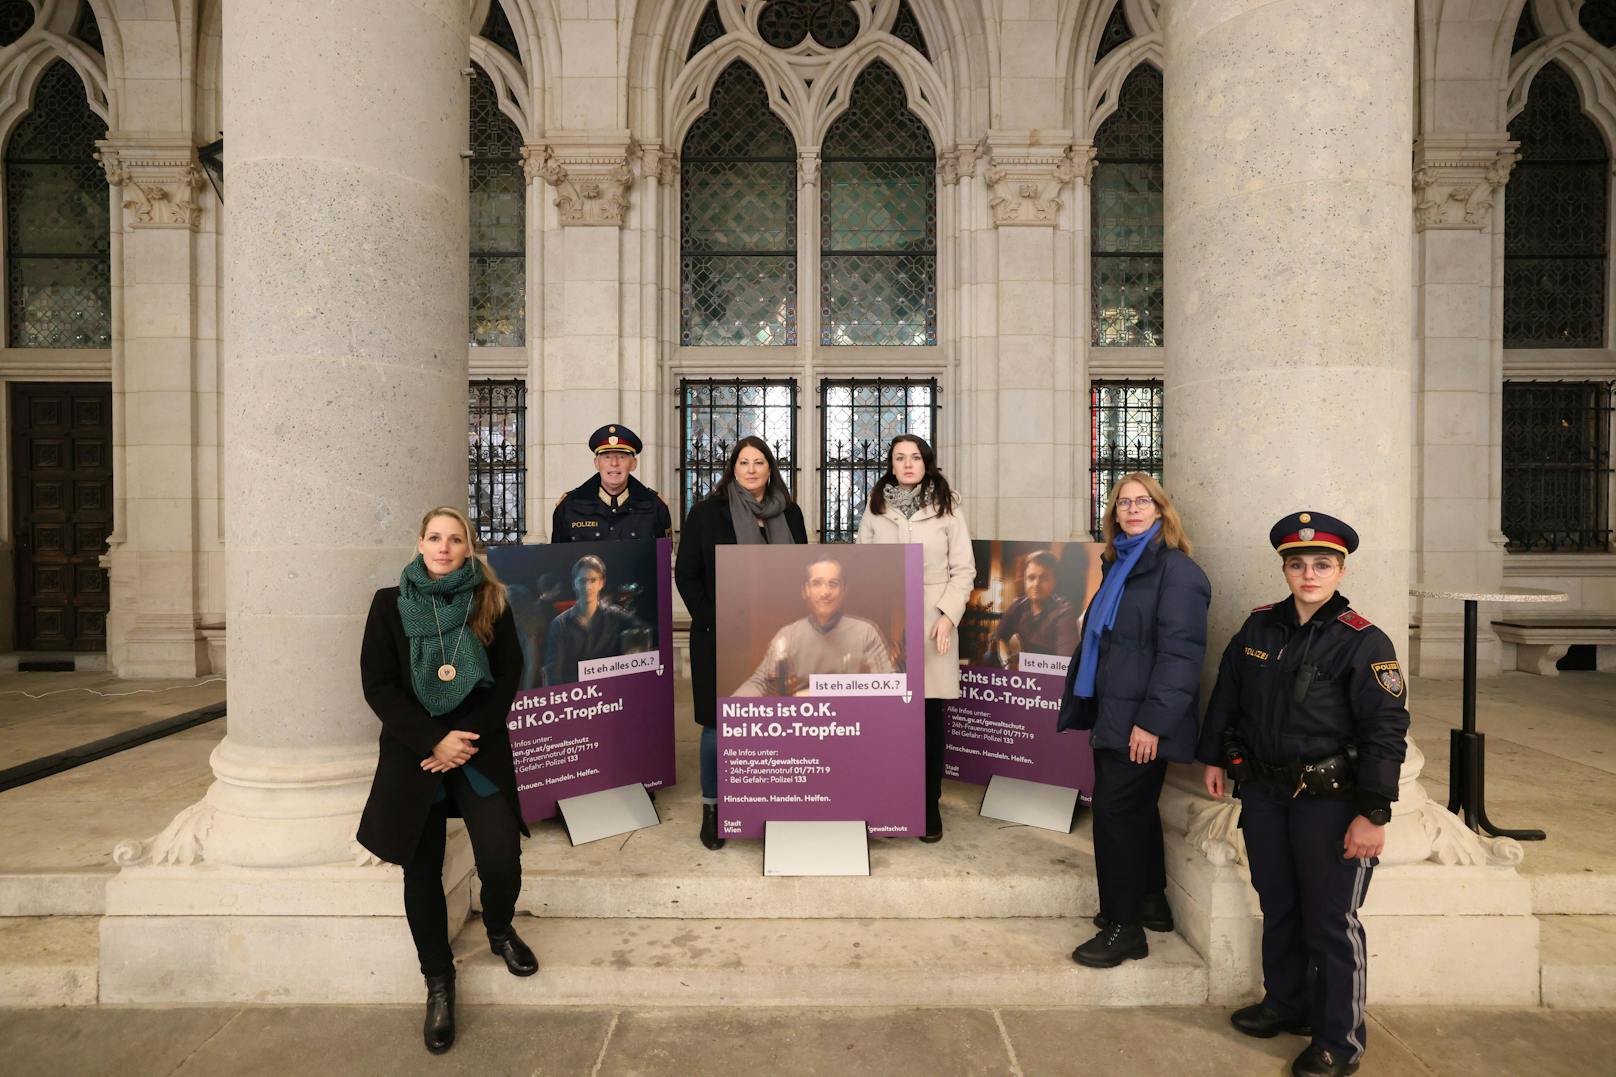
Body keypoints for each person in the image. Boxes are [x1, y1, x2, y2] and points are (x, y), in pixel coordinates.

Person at [1197, 512, 1409, 1077]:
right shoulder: (1260, 627)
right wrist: (1216, 755)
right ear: (1285, 569)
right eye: (1298, 564)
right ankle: (1286, 1003)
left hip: (1331, 801)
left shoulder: (1366, 641)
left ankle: (1339, 1041)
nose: (1309, 574)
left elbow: (1386, 731)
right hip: (1266, 792)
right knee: (1280, 904)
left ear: (1340, 569)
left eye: (1322, 564)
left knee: (1331, 921)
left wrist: (1373, 811)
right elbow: (1229, 694)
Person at [356, 506, 537, 1056]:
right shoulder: (389, 604)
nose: (443, 547)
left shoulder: (490, 599)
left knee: (501, 856)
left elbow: (508, 675)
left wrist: (461, 738)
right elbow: (378, 685)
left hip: (475, 748)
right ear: (419, 544)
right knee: (422, 869)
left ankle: (500, 929)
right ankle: (438, 982)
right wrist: (432, 740)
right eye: (434, 538)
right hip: (417, 755)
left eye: (454, 540)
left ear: (469, 548)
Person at [1058, 473, 1209, 968]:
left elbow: (1181, 655)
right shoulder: (1120, 563)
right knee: (1137, 810)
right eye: (1123, 503)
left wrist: (1152, 722)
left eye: (1143, 501)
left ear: (1163, 512)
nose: (1132, 509)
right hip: (1115, 708)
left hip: (1140, 719)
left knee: (1115, 816)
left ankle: (1124, 928)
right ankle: (1150, 902)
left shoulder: (1176, 572)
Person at [674, 436, 807, 850]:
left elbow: (801, 570)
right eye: (743, 463)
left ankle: (768, 800)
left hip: (779, 636)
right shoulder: (706, 514)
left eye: (759, 462)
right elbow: (687, 574)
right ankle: (714, 808)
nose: (751, 470)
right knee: (718, 722)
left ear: (771, 468)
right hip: (720, 635)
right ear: (733, 469)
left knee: (777, 720)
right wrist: (714, 619)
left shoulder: (791, 512)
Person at [857, 433, 975, 843]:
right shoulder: (875, 508)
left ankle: (928, 805)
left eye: (915, 457)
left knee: (927, 718)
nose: (907, 464)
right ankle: (889, 798)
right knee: (887, 718)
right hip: (886, 626)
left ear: (927, 462)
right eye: (899, 458)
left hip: (932, 627)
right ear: (890, 464)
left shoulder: (949, 507)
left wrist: (947, 616)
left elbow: (964, 571)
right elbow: (863, 568)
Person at [731, 557, 896, 696]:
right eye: (817, 583)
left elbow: (889, 685)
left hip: (853, 724)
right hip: (805, 725)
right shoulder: (787, 635)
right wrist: (732, 709)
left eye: (833, 583)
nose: (825, 592)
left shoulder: (866, 632)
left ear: (844, 590)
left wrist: (817, 691)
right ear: (805, 591)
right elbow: (760, 682)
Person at [551, 424, 672, 543]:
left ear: (633, 464)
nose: (614, 463)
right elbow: (558, 559)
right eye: (607, 456)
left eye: (622, 456)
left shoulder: (656, 507)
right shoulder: (568, 507)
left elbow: (662, 559)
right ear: (597, 463)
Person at [541, 554, 647, 685]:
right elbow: (553, 675)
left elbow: (645, 629)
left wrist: (635, 647)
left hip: (611, 694)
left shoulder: (615, 615)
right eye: (582, 581)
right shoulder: (559, 624)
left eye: (593, 580)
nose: (587, 586)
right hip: (576, 696)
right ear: (574, 584)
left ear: (601, 583)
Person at [986, 550, 1081, 666]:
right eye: (1031, 578)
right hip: (1026, 669)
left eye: (1044, 578)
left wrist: (1024, 664)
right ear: (1025, 580)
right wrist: (1006, 662)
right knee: (988, 657)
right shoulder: (1018, 606)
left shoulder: (1065, 613)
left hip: (1051, 674)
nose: (1036, 584)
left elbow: (1065, 664)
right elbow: (1000, 636)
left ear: (1054, 582)